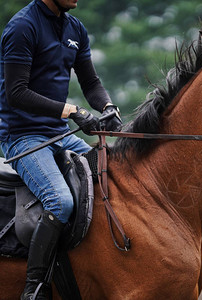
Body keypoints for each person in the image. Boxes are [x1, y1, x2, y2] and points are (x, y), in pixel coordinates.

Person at [0, 0, 122, 299]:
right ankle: (35, 288)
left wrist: (107, 106)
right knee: (60, 203)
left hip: (59, 134)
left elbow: (91, 82)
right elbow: (16, 93)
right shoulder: (21, 27)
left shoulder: (75, 27)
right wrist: (71, 111)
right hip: (23, 137)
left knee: (114, 176)